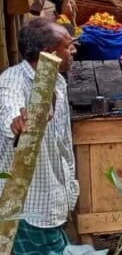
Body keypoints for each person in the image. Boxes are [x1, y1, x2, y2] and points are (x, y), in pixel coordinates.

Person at [0, 17, 78, 254]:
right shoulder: (11, 83)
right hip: (29, 210)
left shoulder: (57, 82)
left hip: (50, 202)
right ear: (48, 53)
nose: (73, 49)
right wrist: (17, 123)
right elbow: (9, 112)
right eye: (68, 45)